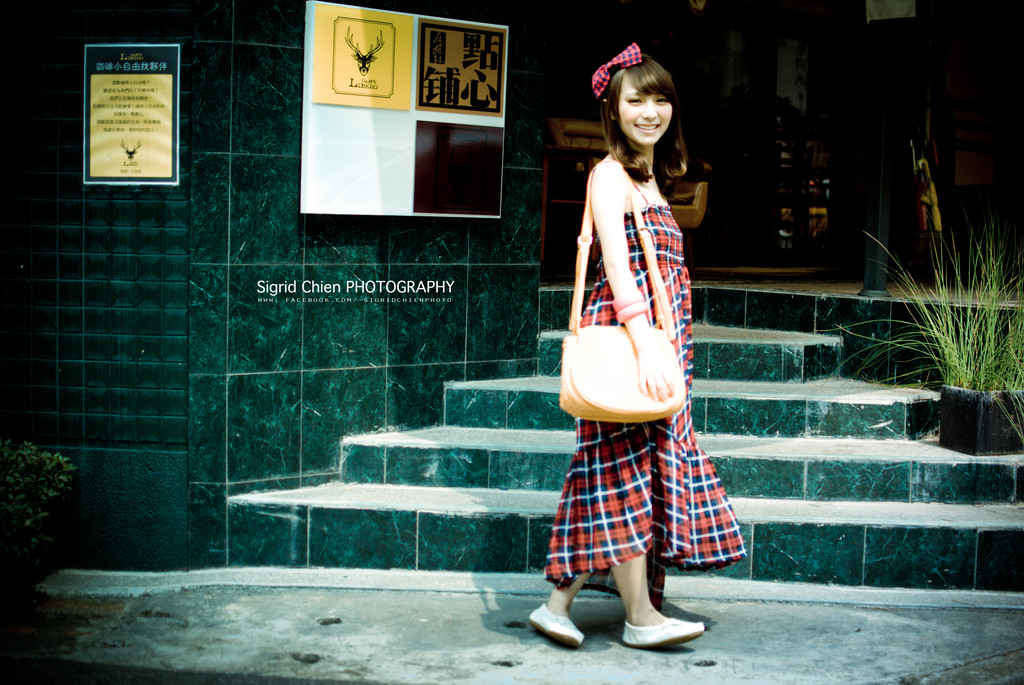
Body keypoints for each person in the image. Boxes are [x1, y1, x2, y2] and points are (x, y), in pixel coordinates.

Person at [529, 44, 747, 650]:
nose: (650, 111)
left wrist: (666, 345)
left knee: (617, 470)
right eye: (636, 100)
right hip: (631, 340)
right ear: (613, 109)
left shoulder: (651, 178)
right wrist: (649, 345)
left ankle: (556, 606)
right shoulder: (609, 174)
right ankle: (640, 618)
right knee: (623, 469)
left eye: (660, 99)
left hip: (658, 340)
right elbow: (621, 272)